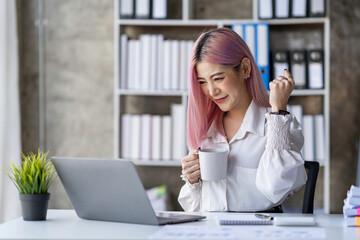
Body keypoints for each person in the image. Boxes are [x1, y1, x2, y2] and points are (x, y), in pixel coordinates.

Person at [178, 27, 307, 212]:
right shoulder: (206, 129)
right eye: (203, 82)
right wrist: (193, 181)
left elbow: (277, 189)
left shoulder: (277, 124)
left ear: (245, 68)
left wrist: (278, 111)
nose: (211, 91)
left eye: (218, 78)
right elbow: (196, 209)